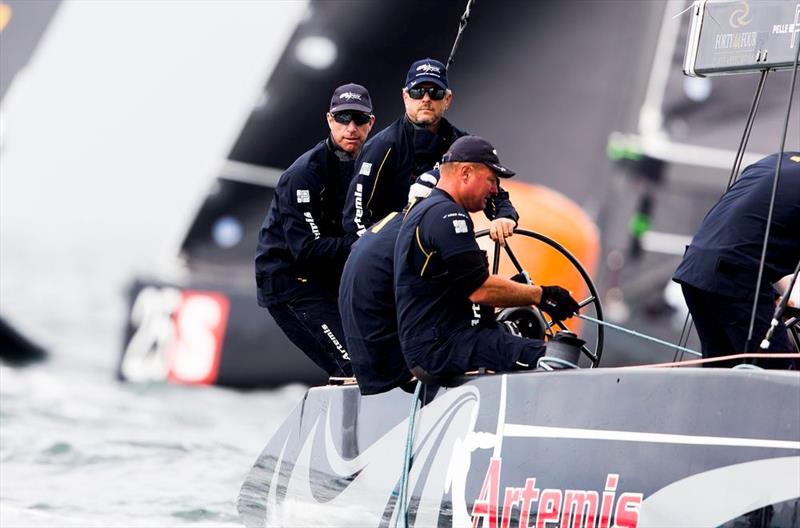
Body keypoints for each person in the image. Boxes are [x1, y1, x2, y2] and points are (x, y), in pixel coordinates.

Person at [393, 136, 581, 382]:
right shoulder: (448, 216)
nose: (494, 190)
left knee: (511, 342)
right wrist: (542, 295)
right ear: (466, 173)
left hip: (438, 342)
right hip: (443, 349)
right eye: (491, 180)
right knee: (559, 360)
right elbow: (479, 289)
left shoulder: (428, 210)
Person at [255, 83, 376, 377]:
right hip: (292, 284)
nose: (351, 127)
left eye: (359, 119)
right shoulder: (303, 175)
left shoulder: (375, 162)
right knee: (354, 367)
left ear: (370, 123)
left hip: (334, 279)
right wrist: (367, 239)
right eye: (343, 118)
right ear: (330, 120)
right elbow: (307, 251)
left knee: (387, 358)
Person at [342, 58, 518, 244]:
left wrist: (504, 216)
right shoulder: (381, 147)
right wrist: (390, 252)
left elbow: (493, 191)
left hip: (443, 250)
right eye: (417, 92)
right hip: (391, 257)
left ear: (447, 99)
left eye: (435, 92)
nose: (426, 99)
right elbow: (355, 220)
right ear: (405, 97)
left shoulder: (463, 145)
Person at [672, 152, 800, 368]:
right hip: (736, 277)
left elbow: (755, 228)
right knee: (778, 378)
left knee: (721, 374)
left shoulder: (780, 159)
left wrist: (782, 293)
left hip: (695, 269)